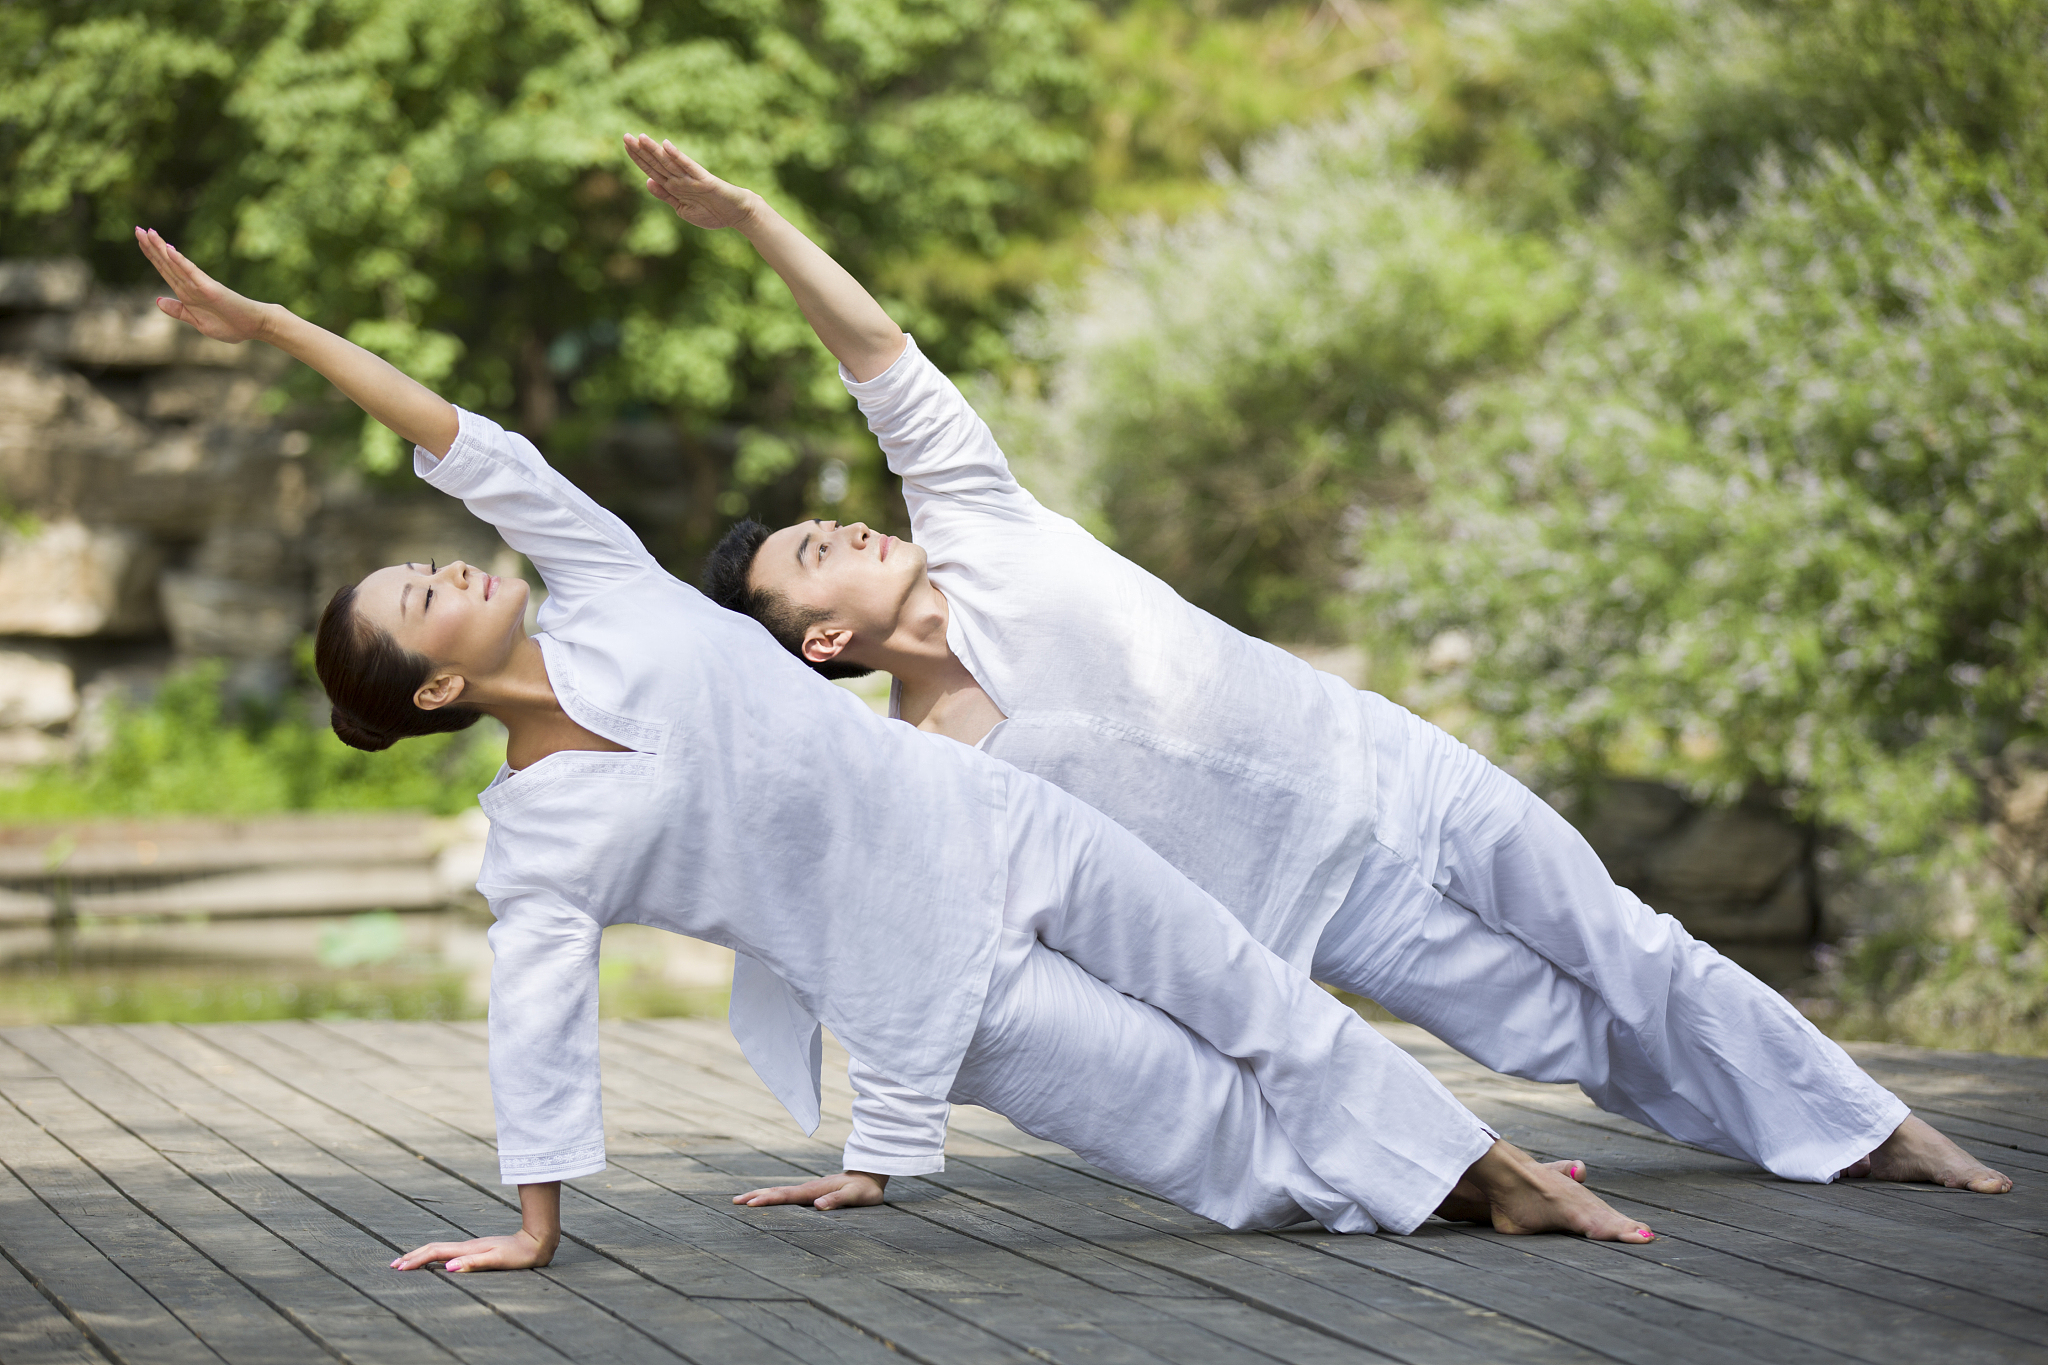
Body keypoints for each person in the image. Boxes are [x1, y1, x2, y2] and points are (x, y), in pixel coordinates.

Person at [131, 209, 1664, 1274]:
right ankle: (1439, 1192)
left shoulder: (599, 582)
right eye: (421, 595)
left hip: (1004, 827)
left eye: (434, 557)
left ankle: (1500, 1178)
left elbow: (466, 439)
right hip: (937, 981)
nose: (449, 564)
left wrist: (270, 326)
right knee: (1221, 1149)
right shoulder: (540, 839)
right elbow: (536, 1025)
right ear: (438, 692)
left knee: (1263, 1001)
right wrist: (536, 1224)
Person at [643, 142, 2017, 1211]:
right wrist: (880, 1157)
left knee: (1627, 941)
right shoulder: (929, 764)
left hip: (1389, 763)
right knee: (1565, 1036)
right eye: (821, 552)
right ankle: (1804, 1136)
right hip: (1321, 905)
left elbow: (876, 355)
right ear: (822, 641)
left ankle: (1875, 1125)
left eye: (836, 519)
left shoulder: (977, 522)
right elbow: (924, 955)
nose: (856, 527)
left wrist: (755, 219)